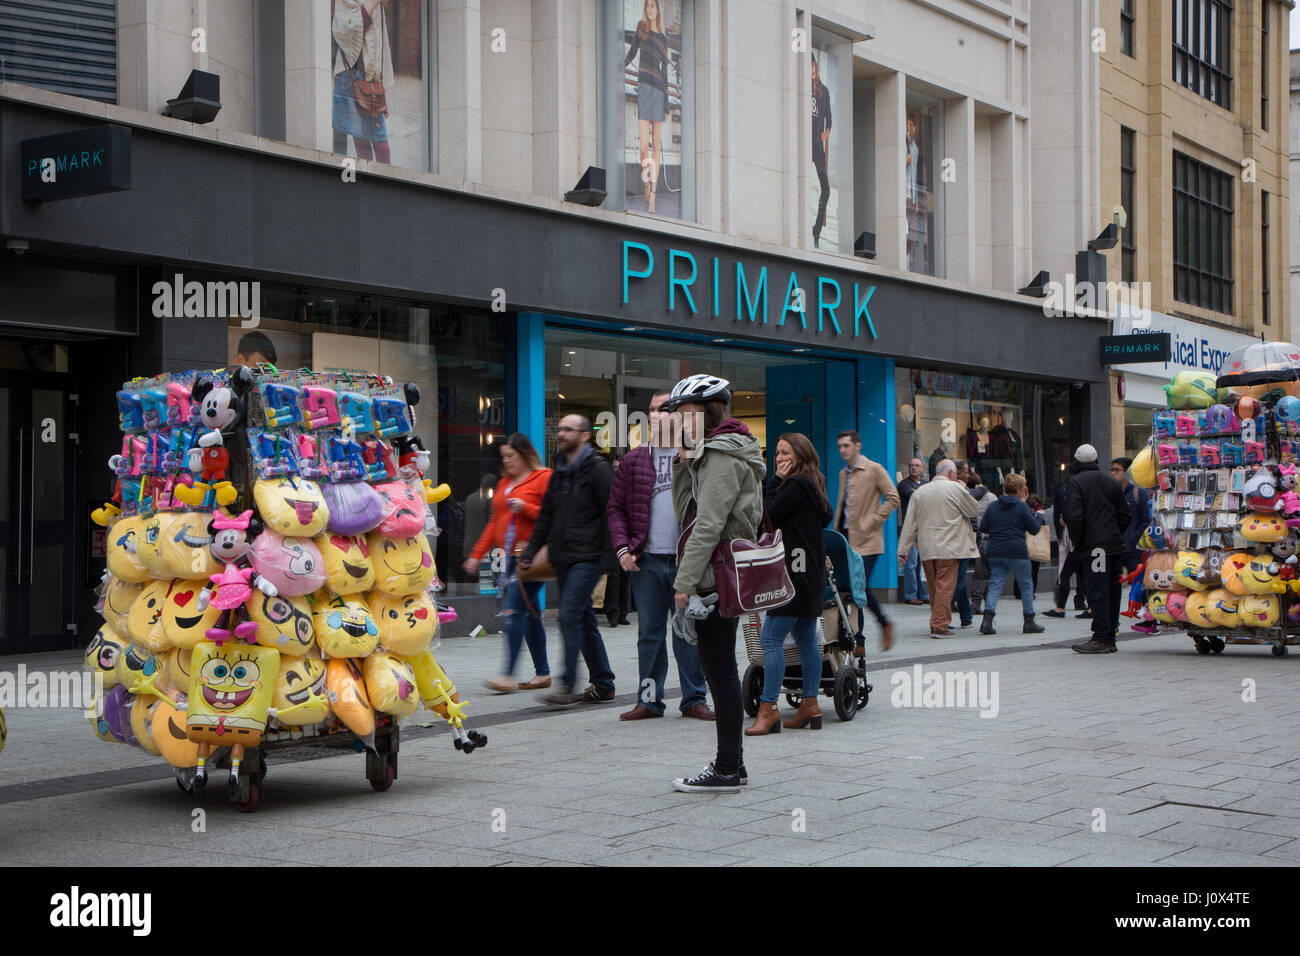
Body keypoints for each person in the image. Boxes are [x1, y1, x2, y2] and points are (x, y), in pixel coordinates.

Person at [665, 375, 764, 793]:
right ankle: (733, 766)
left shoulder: (722, 457)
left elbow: (707, 523)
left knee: (720, 672)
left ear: (709, 412)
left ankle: (726, 769)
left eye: (686, 413)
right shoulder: (710, 453)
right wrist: (686, 459)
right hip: (716, 572)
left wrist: (684, 584)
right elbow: (690, 509)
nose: (680, 421)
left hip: (712, 576)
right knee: (721, 668)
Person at [607, 389, 713, 722]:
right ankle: (649, 701)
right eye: (651, 410)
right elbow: (615, 509)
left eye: (664, 409)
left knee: (688, 633)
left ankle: (694, 699)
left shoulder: (696, 455)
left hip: (687, 562)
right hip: (647, 560)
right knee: (649, 635)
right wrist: (623, 548)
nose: (656, 414)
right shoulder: (635, 459)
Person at [520, 416, 618, 705]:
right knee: (584, 619)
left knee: (568, 615)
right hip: (563, 557)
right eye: (560, 429)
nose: (561, 434)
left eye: (568, 430)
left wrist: (611, 556)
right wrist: (531, 550)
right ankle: (603, 683)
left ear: (585, 436)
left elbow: (611, 513)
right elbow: (546, 517)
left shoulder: (598, 471)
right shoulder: (560, 472)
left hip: (588, 557)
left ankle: (566, 684)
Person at [746, 433, 834, 737]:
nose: (780, 458)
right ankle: (810, 704)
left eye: (787, 453)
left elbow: (766, 517)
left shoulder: (795, 485)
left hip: (792, 575)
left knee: (770, 638)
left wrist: (772, 483)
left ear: (801, 454)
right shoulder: (815, 481)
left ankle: (768, 709)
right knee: (807, 638)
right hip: (811, 574)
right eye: (778, 453)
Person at [463, 434, 552, 693]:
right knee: (532, 615)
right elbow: (494, 523)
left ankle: (508, 675)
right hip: (510, 557)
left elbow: (553, 513)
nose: (507, 461)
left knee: (513, 610)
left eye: (511, 455)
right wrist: (476, 555)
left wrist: (525, 507)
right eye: (503, 457)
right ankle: (543, 673)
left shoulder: (543, 477)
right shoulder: (504, 483)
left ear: (524, 454)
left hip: (532, 557)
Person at [832, 430, 899, 651]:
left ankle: (877, 628)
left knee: (859, 587)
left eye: (846, 445)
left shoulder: (873, 469)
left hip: (868, 540)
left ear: (857, 446)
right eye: (840, 446)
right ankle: (856, 639)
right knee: (849, 591)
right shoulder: (844, 473)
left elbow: (893, 498)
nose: (842, 450)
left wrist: (872, 522)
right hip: (845, 541)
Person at [897, 459, 979, 638]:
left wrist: (903, 548)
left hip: (927, 547)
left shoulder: (920, 492)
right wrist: (963, 487)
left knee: (934, 587)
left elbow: (910, 521)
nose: (956, 477)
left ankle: (937, 621)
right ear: (950, 473)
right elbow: (973, 509)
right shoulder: (955, 488)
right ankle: (940, 625)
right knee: (945, 586)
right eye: (955, 474)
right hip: (950, 546)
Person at [1062, 444, 1131, 654]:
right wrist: (1114, 533)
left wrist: (1080, 540)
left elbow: (1074, 516)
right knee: (1112, 589)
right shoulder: (1112, 482)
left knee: (1097, 589)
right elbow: (1125, 515)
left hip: (1095, 548)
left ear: (1076, 462)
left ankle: (1101, 636)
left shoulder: (1075, 483)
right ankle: (1110, 635)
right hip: (1113, 546)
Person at [977, 473, 1047, 635]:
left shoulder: (994, 506)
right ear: (1021, 489)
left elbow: (984, 528)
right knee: (1026, 585)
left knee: (995, 584)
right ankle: (1029, 621)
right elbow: (1034, 529)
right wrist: (1039, 517)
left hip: (996, 550)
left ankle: (987, 621)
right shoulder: (1022, 507)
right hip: (1017, 551)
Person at [331, 0, 395, 164]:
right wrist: (370, 4)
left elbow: (382, 48)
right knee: (362, 145)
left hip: (372, 82)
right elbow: (344, 33)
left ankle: (382, 186)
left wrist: (382, 91)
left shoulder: (379, 6)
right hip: (350, 77)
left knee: (383, 147)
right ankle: (365, 187)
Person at [624, 0, 669, 213]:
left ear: (658, 9)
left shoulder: (663, 38)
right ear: (646, 8)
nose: (651, 9)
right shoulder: (640, 28)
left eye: (654, 5)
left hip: (659, 91)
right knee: (644, 148)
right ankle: (646, 185)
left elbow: (666, 72)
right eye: (648, 5)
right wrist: (619, 65)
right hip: (643, 88)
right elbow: (632, 52)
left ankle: (652, 197)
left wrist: (667, 104)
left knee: (655, 146)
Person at [1046, 466, 1090, 619]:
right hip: (1086, 541)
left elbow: (1066, 516)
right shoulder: (1088, 493)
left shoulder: (1069, 492)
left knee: (1065, 574)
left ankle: (1060, 609)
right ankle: (1089, 608)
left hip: (1075, 542)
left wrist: (1064, 522)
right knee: (1084, 575)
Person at [897, 458, 929, 605]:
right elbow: (915, 496)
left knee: (923, 564)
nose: (914, 468)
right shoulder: (904, 484)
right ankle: (910, 595)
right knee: (911, 564)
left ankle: (924, 594)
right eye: (911, 466)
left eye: (917, 466)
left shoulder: (925, 484)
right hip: (910, 529)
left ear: (922, 469)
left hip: (924, 528)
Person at [1112, 457, 1150, 575]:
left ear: (1127, 472)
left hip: (1134, 549)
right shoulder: (1110, 492)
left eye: (1117, 470)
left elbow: (1146, 520)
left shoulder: (1139, 492)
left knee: (1137, 582)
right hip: (1114, 547)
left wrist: (1133, 539)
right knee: (1114, 582)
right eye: (1111, 470)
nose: (1113, 473)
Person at [967, 472, 996, 615]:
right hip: (988, 538)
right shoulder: (990, 497)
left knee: (979, 573)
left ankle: (976, 603)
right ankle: (987, 602)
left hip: (971, 536)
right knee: (987, 573)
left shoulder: (966, 497)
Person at [811, 54, 832, 248]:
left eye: (812, 65)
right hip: (803, 144)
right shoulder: (802, 88)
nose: (811, 70)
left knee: (826, 189)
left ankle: (816, 230)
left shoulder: (823, 91)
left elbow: (829, 119)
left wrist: (825, 134)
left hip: (817, 147)